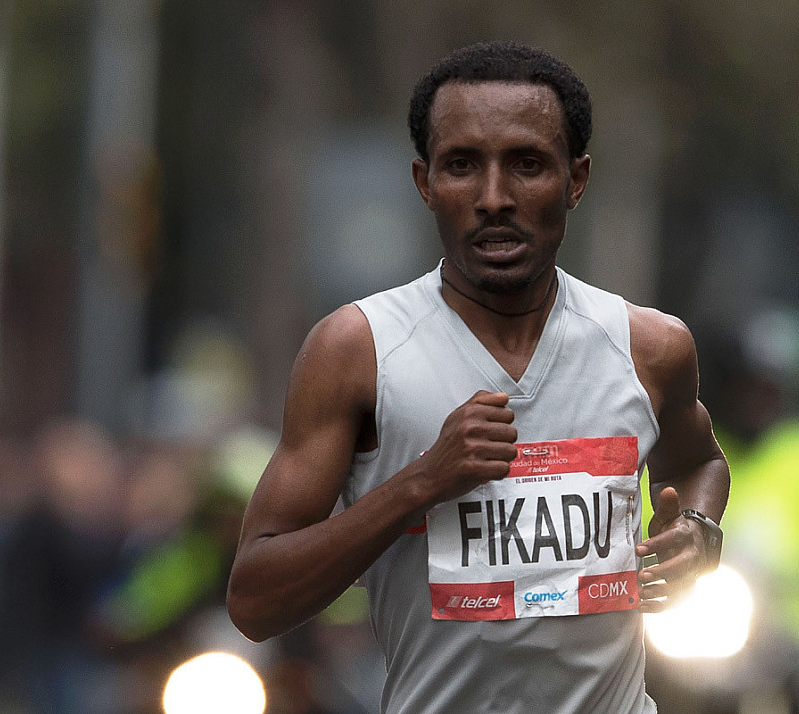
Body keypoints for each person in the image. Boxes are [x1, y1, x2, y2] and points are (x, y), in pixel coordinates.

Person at [227, 40, 730, 714]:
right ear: (424, 182)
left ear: (576, 180)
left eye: (527, 165)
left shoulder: (649, 348)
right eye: (462, 165)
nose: (494, 198)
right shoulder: (358, 350)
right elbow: (254, 600)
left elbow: (700, 461)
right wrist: (421, 483)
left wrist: (698, 528)